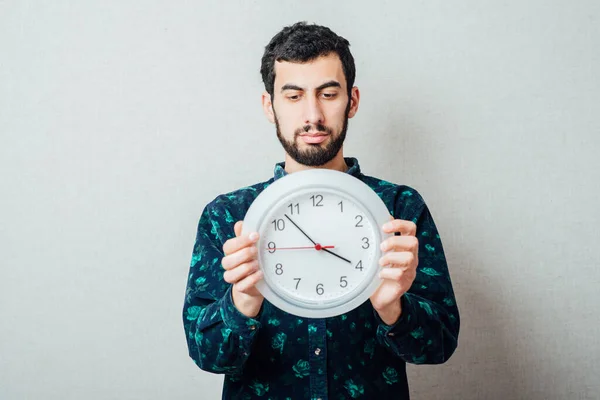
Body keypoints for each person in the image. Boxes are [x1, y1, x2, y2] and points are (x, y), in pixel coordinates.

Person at [182, 21, 460, 400]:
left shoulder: (399, 210)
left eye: (328, 94)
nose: (312, 115)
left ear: (353, 100)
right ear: (270, 105)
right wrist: (241, 302)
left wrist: (395, 308)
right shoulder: (227, 217)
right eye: (293, 96)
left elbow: (439, 346)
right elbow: (208, 355)